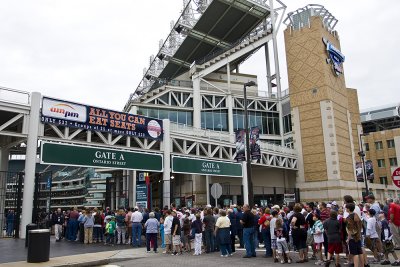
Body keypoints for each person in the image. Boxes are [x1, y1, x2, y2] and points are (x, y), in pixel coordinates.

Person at [346, 203, 364, 267]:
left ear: (348, 209)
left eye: (346, 208)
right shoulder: (356, 215)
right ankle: (362, 265)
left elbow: (350, 229)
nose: (345, 209)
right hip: (358, 236)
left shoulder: (349, 217)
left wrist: (348, 238)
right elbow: (360, 225)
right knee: (360, 252)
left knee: (354, 253)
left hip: (352, 237)